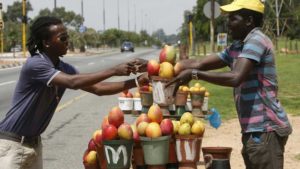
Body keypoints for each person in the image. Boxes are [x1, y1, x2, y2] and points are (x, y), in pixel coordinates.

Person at [0, 16, 148, 169]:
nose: (67, 41)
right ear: (46, 43)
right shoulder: (36, 64)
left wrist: (136, 81)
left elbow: (98, 88)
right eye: (62, 38)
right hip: (11, 144)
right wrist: (114, 70)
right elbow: (73, 82)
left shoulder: (63, 68)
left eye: (67, 37)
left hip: (34, 144)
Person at [167, 0, 292, 169]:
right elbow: (200, 63)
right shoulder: (239, 46)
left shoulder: (256, 40)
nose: (228, 23)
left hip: (265, 129)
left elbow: (235, 77)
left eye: (233, 18)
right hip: (255, 131)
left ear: (249, 20)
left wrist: (195, 75)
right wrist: (167, 66)